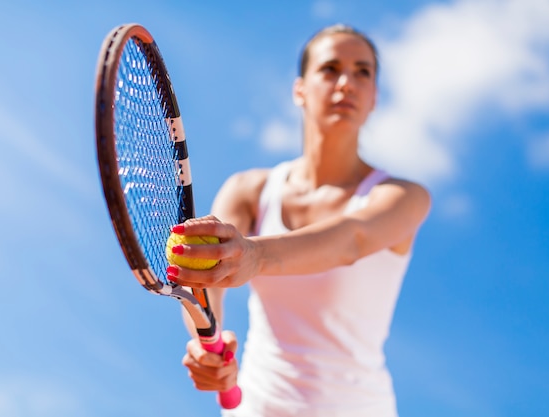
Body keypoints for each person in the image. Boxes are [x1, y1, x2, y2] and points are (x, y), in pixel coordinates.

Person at [165, 23, 432, 417]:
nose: (347, 83)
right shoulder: (250, 191)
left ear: (374, 97)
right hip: (256, 405)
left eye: (363, 72)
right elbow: (205, 288)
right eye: (330, 69)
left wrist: (256, 255)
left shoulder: (403, 197)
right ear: (300, 90)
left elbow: (351, 239)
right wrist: (209, 348)